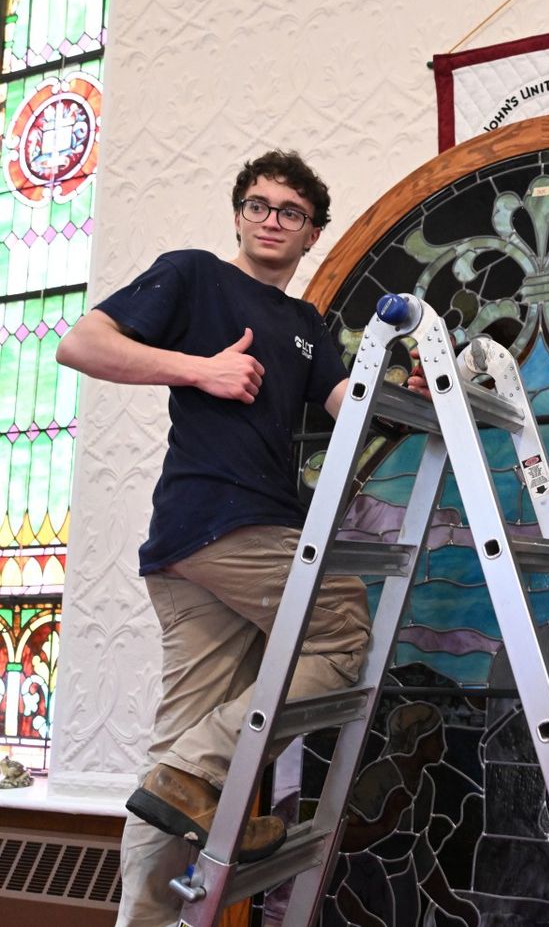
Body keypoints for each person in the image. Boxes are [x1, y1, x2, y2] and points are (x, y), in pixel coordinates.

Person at [57, 150, 374, 926]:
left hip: (223, 540)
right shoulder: (195, 274)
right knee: (344, 628)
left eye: (290, 212)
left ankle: (148, 917)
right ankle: (196, 770)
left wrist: (430, 387)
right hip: (217, 521)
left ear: (312, 234)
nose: (272, 220)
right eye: (259, 205)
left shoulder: (304, 323)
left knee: (175, 748)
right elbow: (81, 344)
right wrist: (199, 370)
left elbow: (346, 402)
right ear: (238, 214)